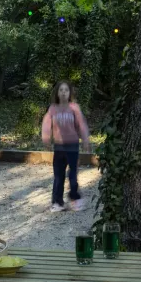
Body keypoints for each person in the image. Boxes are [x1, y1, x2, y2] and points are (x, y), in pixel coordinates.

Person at [41, 80, 91, 212]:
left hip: (73, 146)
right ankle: (57, 202)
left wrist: (85, 139)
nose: (63, 93)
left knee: (72, 175)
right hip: (59, 147)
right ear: (57, 93)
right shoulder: (53, 108)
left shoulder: (74, 107)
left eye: (66, 90)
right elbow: (46, 124)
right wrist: (46, 138)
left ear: (70, 93)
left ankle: (75, 198)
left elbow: (81, 124)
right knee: (58, 176)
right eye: (61, 90)